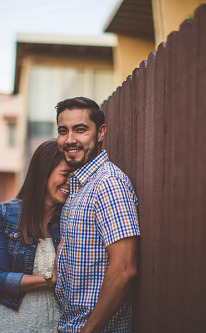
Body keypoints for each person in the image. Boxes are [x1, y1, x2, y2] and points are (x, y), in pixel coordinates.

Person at [55, 97, 140, 332]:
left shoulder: (108, 184)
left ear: (101, 133)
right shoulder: (79, 186)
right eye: (63, 131)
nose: (70, 139)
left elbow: (125, 268)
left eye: (80, 130)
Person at [0, 139, 73, 333]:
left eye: (74, 176)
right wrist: (50, 278)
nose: (69, 182)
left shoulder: (71, 218)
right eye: (65, 174)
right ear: (43, 173)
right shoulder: (6, 214)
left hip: (55, 323)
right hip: (10, 322)